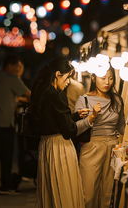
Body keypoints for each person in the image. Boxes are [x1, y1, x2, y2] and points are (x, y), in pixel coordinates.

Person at [31, 58, 94, 208]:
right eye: (67, 77)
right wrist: (88, 120)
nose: (68, 82)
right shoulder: (56, 95)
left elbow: (53, 121)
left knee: (51, 189)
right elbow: (68, 131)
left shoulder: (41, 91)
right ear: (58, 74)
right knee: (63, 187)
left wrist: (76, 115)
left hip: (46, 144)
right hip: (59, 147)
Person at [75, 69, 125, 208]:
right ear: (93, 77)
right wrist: (92, 117)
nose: (107, 82)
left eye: (110, 78)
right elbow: (76, 128)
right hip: (92, 146)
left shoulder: (117, 99)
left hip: (113, 147)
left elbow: (121, 127)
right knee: (88, 193)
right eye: (103, 78)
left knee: (108, 193)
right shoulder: (84, 99)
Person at [0, 54, 30, 195]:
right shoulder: (12, 78)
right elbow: (29, 94)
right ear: (10, 66)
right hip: (5, 124)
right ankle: (5, 186)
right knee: (6, 156)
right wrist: (19, 76)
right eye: (17, 67)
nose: (18, 70)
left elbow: (7, 95)